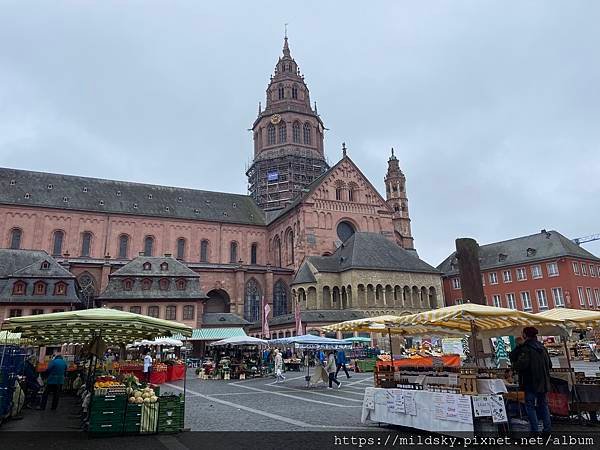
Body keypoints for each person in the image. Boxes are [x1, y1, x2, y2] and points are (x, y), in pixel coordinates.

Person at [512, 327, 552, 433]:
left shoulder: (526, 348)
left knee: (530, 406)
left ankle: (535, 430)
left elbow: (521, 364)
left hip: (530, 382)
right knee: (543, 405)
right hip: (543, 382)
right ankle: (547, 429)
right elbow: (550, 365)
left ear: (525, 335)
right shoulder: (542, 348)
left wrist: (515, 364)